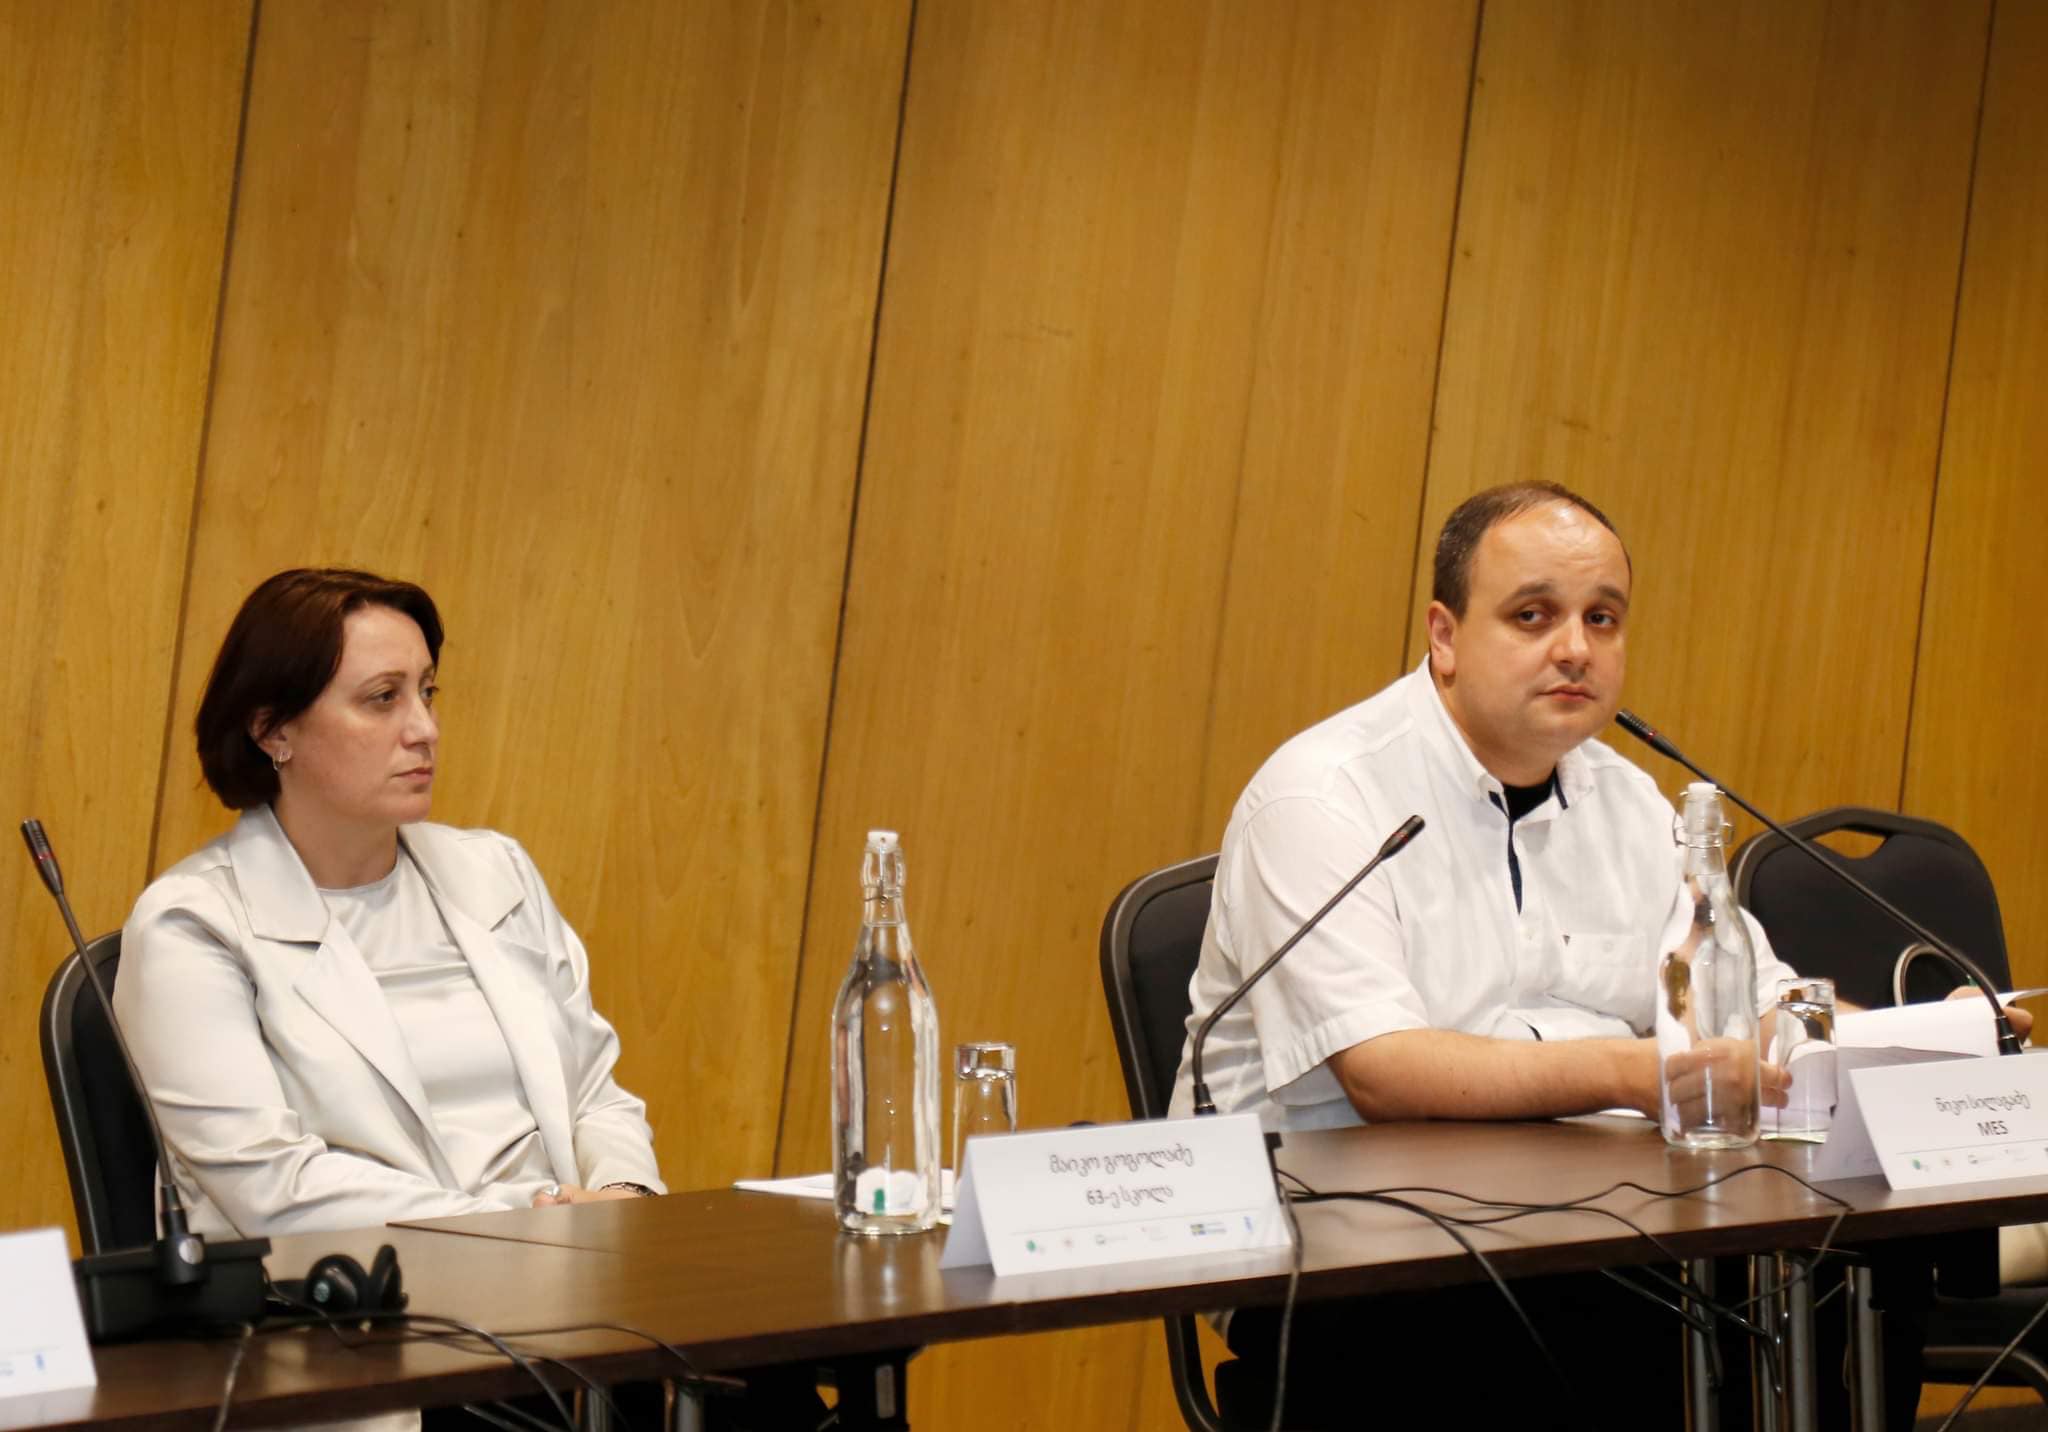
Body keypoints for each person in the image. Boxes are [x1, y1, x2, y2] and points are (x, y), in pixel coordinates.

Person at [1170, 483, 1800, 1428]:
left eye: (1603, 618)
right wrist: (1635, 1073)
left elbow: (1754, 1001)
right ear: (1445, 636)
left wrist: (1926, 1040)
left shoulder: (1629, 802)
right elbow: (1384, 1072)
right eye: (1533, 615)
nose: (1576, 648)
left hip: (1586, 1230)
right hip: (1354, 1265)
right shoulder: (1320, 795)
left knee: (1820, 1294)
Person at [118, 568, 661, 1238]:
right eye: (383, 699)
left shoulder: (497, 872)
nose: (425, 728)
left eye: (426, 692)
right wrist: (525, 1230)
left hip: (568, 1260)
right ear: (273, 731)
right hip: (356, 1289)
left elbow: (596, 1095)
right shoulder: (193, 925)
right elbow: (273, 1185)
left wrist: (626, 1196)